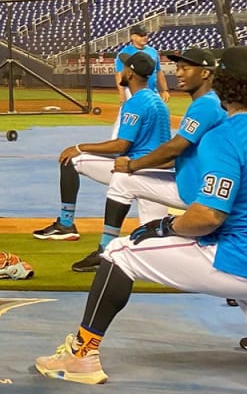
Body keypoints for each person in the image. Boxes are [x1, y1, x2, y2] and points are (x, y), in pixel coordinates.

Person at [34, 46, 247, 385]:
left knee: (119, 253)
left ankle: (82, 356)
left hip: (240, 259)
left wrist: (168, 225)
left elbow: (208, 216)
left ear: (222, 82)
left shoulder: (227, 136)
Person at [33, 52, 171, 272]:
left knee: (72, 159)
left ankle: (69, 226)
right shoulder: (157, 100)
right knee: (155, 243)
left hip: (133, 169)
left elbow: (121, 146)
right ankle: (109, 251)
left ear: (131, 73)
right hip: (156, 173)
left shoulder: (136, 103)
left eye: (125, 67)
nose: (122, 70)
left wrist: (80, 147)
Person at [102, 48, 226, 268]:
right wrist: (142, 166)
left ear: (205, 73)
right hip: (196, 183)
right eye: (177, 68)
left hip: (194, 191)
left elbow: (176, 147)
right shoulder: (207, 102)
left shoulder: (206, 104)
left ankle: (104, 249)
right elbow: (177, 154)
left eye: (185, 68)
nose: (178, 73)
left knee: (122, 180)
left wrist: (132, 164)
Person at [118, 24, 170, 103]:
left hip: (152, 91)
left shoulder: (153, 51)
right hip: (132, 93)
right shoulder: (124, 53)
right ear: (133, 37)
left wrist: (165, 90)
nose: (144, 37)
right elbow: (119, 74)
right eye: (141, 35)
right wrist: (122, 93)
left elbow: (159, 71)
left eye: (145, 34)